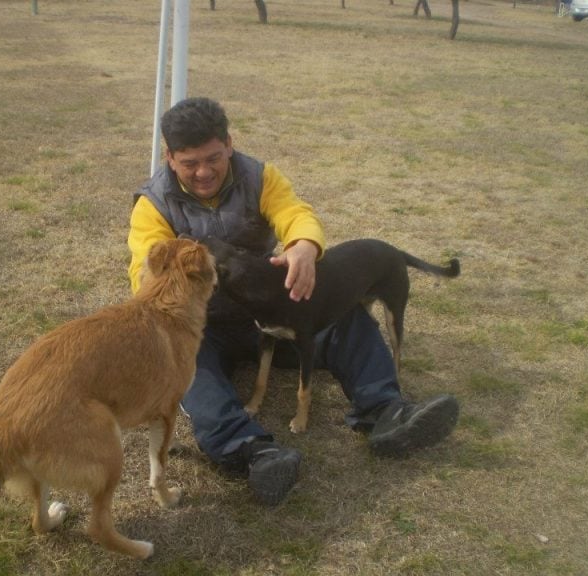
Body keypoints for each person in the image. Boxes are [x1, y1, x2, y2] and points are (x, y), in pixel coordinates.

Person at [128, 97, 459, 506]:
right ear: (170, 158)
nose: (203, 171)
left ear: (230, 144)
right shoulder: (153, 205)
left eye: (213, 157)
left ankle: (387, 411)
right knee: (193, 375)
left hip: (269, 308)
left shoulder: (260, 177)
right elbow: (146, 268)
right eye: (190, 162)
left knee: (345, 319)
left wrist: (304, 244)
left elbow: (294, 212)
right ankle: (251, 453)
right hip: (204, 325)